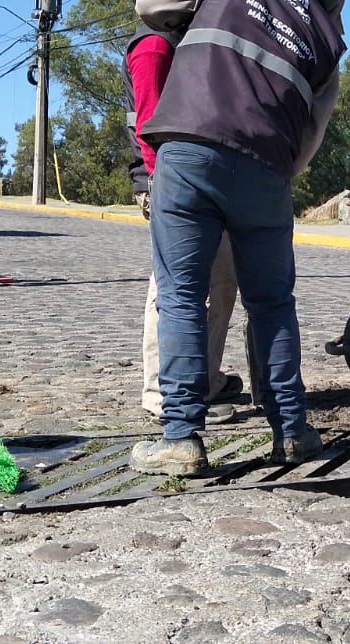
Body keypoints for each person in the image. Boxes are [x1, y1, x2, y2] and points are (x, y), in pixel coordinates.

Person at [127, 0, 347, 477]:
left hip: (190, 147)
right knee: (271, 303)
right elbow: (310, 138)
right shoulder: (327, 41)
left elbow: (149, 5)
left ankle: (181, 438)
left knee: (182, 293)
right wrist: (269, 179)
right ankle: (291, 431)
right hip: (268, 170)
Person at [126, 59, 243, 426]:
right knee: (173, 286)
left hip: (200, 179)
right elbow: (147, 120)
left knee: (222, 278)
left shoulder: (191, 36)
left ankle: (203, 380)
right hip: (170, 181)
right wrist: (161, 185)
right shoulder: (156, 45)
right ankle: (164, 393)